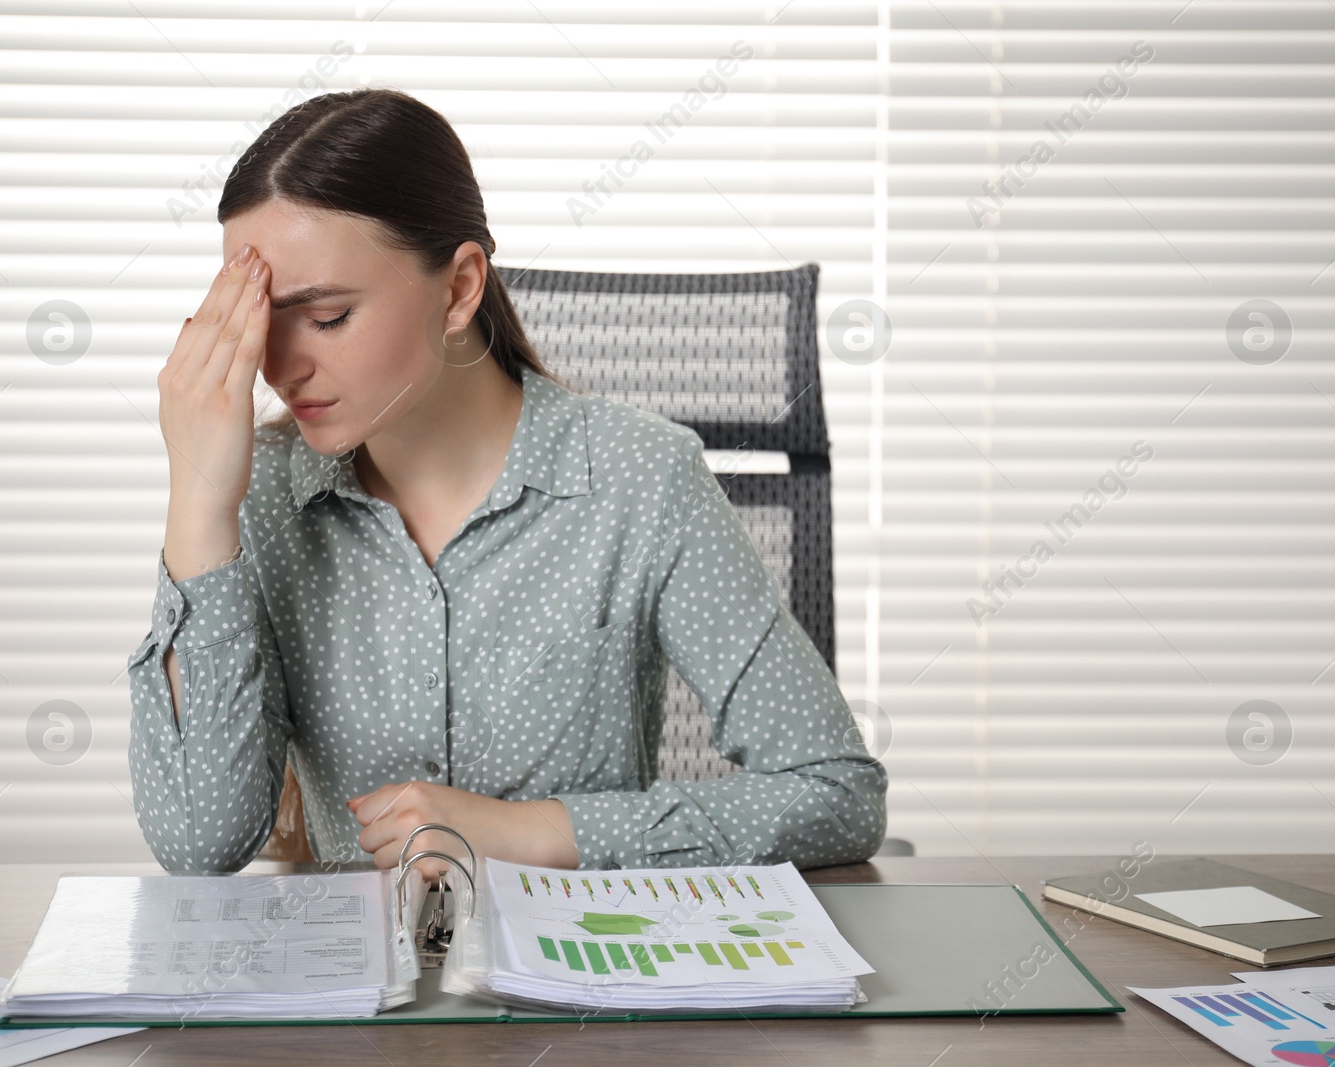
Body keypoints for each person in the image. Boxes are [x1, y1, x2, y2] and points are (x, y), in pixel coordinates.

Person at [126, 88, 888, 880]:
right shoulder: (259, 496)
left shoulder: (642, 477)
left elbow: (836, 792)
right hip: (358, 992)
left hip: (585, 982)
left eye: (324, 318)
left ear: (458, 289)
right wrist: (199, 502)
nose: (279, 368)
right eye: (254, 322)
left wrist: (530, 832)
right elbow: (198, 842)